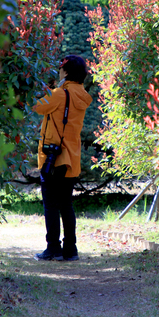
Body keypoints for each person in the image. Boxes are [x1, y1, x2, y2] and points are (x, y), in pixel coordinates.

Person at [32, 55, 92, 261]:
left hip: (54, 157)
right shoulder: (82, 94)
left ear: (66, 72)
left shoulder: (59, 94)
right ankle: (70, 249)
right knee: (66, 203)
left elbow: (37, 107)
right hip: (71, 157)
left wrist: (48, 88)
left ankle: (53, 248)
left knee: (50, 203)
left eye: (61, 68)